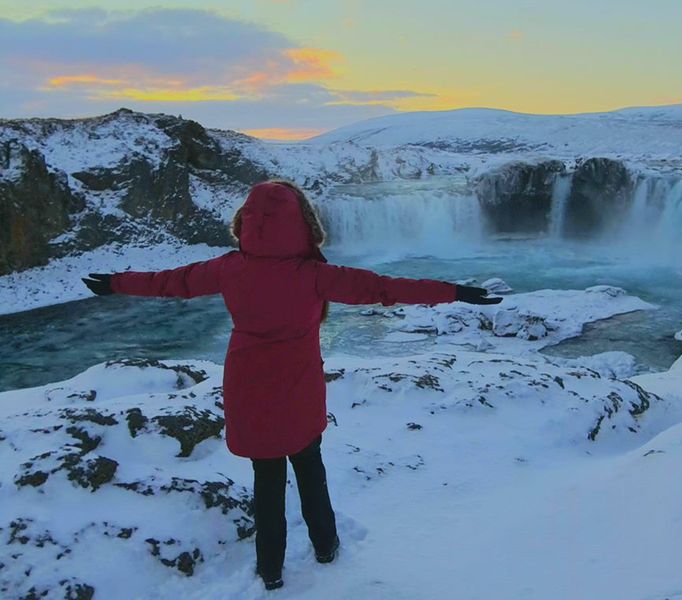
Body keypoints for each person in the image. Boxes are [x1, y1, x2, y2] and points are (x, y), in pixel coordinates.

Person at [82, 180, 501, 590]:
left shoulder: (227, 268)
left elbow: (169, 282)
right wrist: (454, 291)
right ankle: (326, 547)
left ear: (246, 223)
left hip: (248, 386)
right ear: (302, 224)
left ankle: (271, 572)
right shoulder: (314, 275)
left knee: (266, 482)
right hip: (298, 387)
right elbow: (382, 288)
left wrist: (117, 282)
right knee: (310, 470)